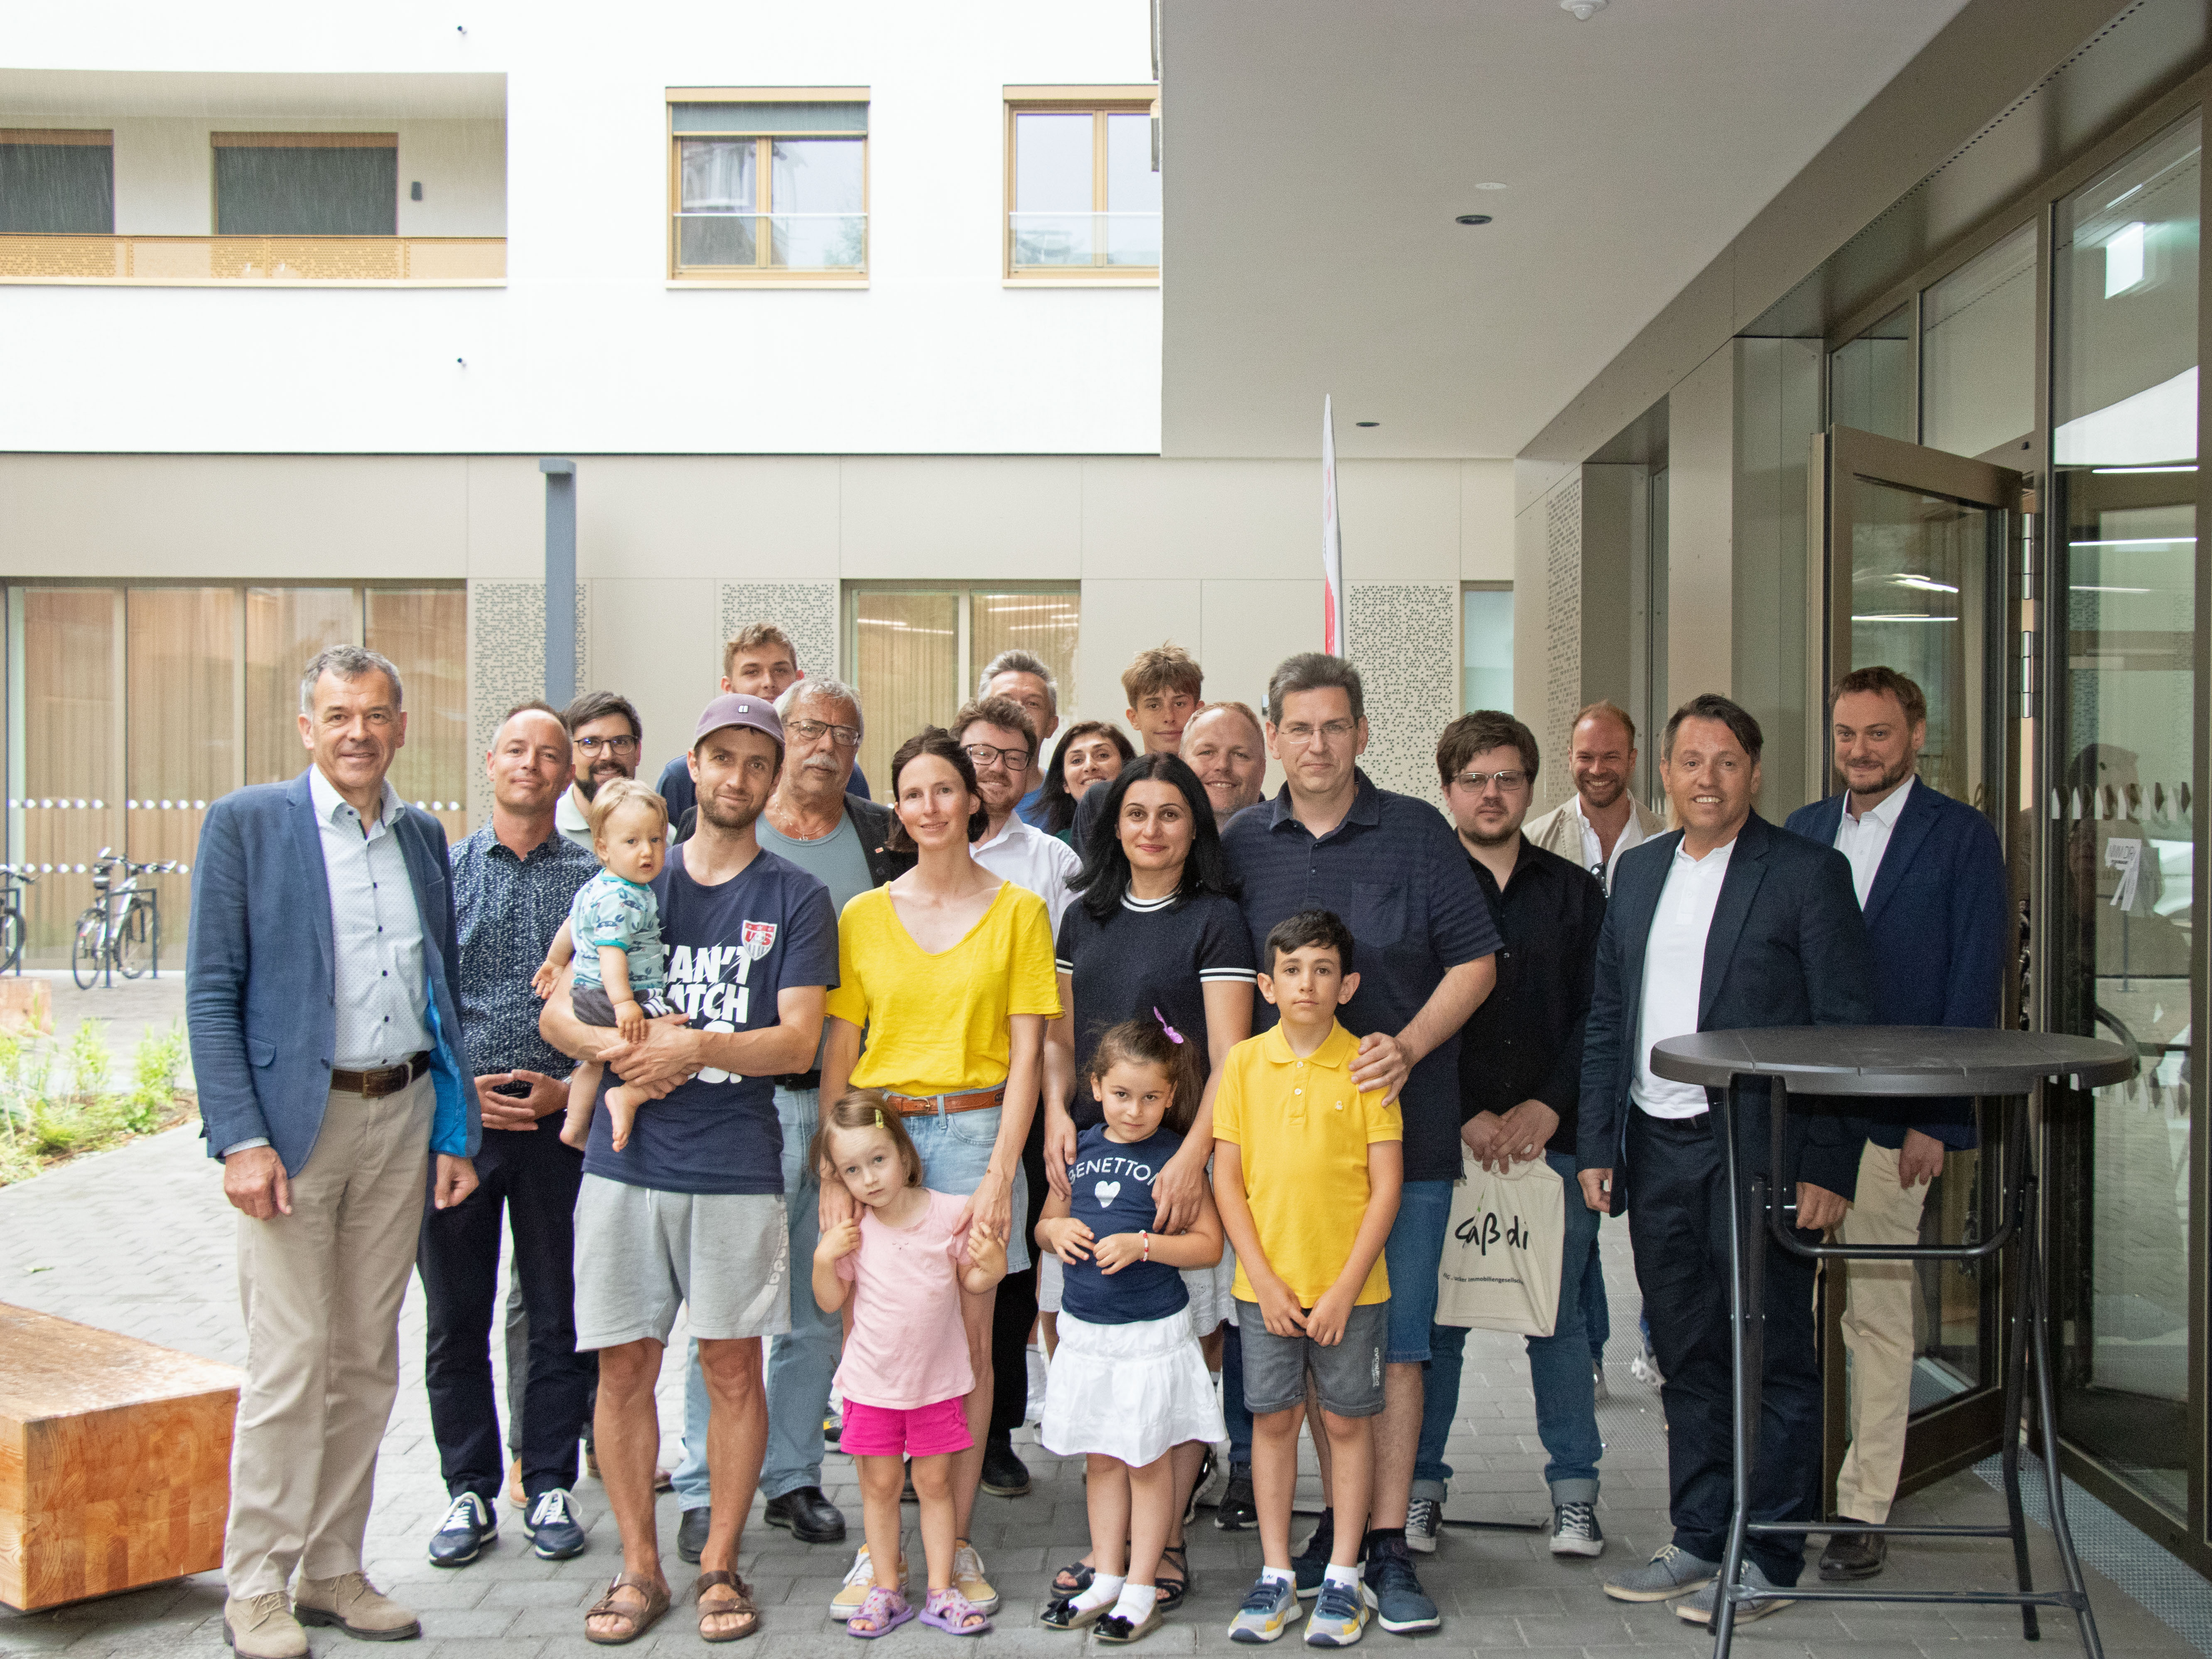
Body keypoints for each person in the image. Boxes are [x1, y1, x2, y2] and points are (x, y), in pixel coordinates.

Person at [188, 645, 479, 1659]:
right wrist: (240, 1137)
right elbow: (210, 992)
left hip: (398, 1117)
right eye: (338, 713)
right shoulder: (248, 826)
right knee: (292, 1357)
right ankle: (255, 1582)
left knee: (365, 1356)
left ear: (400, 726)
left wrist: (454, 1128)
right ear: (307, 727)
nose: (359, 730)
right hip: (293, 1132)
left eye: (377, 713)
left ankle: (332, 1565)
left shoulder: (420, 834)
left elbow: (440, 997)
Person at [540, 692, 838, 1645]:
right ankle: (636, 1568)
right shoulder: (632, 872)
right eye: (724, 758)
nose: (739, 776)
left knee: (732, 1369)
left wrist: (696, 1045)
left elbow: (796, 1043)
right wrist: (623, 1051)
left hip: (735, 1164)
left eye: (759, 761)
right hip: (625, 1166)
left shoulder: (794, 896)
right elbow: (553, 1010)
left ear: (773, 775)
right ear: (694, 766)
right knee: (623, 1368)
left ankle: (718, 1565)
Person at [1580, 693, 1876, 1625]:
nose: (1705, 779)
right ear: (1661, 772)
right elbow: (1607, 1015)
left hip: (1760, 1149)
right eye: (1689, 761)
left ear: (1753, 774)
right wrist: (1597, 1141)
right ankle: (1702, 1532)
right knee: (1687, 1350)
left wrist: (1828, 1162)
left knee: (1773, 1350)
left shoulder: (1805, 873)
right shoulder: (1638, 872)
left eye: (1726, 762)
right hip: (1656, 1143)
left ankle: (1770, 1553)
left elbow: (1842, 1031)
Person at [1220, 653, 1498, 1636]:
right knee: (1287, 1345)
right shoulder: (1240, 840)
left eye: (1334, 726)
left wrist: (1411, 1045)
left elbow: (1476, 961)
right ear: (1274, 736)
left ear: (1363, 733)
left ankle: (1382, 1540)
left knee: (1397, 1344)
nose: (1317, 744)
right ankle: (1319, 1540)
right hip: (1280, 1157)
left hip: (1400, 1145)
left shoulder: (1418, 833)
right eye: (1297, 727)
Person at [820, 728, 1062, 1622]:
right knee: (874, 1344)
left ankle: (950, 1539)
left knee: (966, 1349)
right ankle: (880, 1543)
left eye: (943, 790)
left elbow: (1031, 1052)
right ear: (899, 808)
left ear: (973, 801)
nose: (928, 807)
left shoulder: (1019, 912)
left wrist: (1004, 1170)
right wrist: (833, 1173)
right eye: (910, 792)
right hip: (877, 1142)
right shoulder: (864, 916)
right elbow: (842, 1053)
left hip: (973, 1136)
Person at [668, 676, 911, 1562]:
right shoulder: (726, 834)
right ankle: (700, 1484)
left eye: (844, 735)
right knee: (725, 1308)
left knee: (821, 1291)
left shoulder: (876, 837)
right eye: (809, 727)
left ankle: (793, 1474)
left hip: (840, 1100)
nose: (825, 746)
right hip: (733, 1102)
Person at [1786, 667, 2007, 1583]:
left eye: (1877, 734)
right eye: (1845, 734)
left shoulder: (1959, 839)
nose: (1859, 751)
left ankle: (1860, 1505)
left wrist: (1938, 1118)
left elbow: (1970, 986)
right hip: (1799, 1120)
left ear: (1915, 734)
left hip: (1893, 1124)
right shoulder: (1802, 831)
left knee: (1875, 1319)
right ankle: (1787, 1486)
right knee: (1782, 1317)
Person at [1039, 752, 1256, 1607]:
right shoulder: (1081, 917)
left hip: (1172, 1167)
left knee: (1173, 1363)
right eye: (1136, 813)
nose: (1152, 829)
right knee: (1093, 1344)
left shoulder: (1217, 920)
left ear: (1194, 826)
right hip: (1090, 1164)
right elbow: (1060, 1038)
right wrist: (1058, 1114)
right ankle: (1109, 1548)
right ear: (1111, 824)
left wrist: (1195, 1158)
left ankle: (1160, 1547)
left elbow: (1232, 1059)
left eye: (1171, 813)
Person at [1414, 712, 1607, 1558]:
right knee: (1438, 1320)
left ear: (1530, 786)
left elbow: (1600, 1016)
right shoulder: (1420, 885)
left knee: (1556, 1319)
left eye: (1508, 778)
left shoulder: (1573, 892)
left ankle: (1575, 1494)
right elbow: (1401, 1013)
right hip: (1440, 1136)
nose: (1491, 794)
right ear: (1447, 787)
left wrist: (1548, 1107)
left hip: (1547, 1143)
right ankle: (1419, 1487)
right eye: (1473, 778)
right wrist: (1460, 1110)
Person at [420, 703, 597, 1573]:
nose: (531, 764)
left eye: (550, 754)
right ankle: (467, 1487)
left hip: (561, 1127)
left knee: (563, 1311)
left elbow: (621, 1000)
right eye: (516, 749)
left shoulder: (600, 882)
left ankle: (553, 1477)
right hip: (461, 1131)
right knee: (457, 1317)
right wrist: (453, 1102)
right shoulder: (441, 871)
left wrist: (572, 1089)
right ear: (489, 761)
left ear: (570, 775)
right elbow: (418, 1001)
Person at [1215, 909, 1403, 1649]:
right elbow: (1228, 1181)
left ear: (1347, 984)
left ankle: (1344, 1577)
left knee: (1349, 1421)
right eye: (1292, 969)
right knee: (1271, 1420)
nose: (1307, 983)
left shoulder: (1367, 1065)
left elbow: (1385, 1188)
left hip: (1350, 1291)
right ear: (1267, 982)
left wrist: (1344, 1287)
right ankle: (1275, 1574)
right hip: (1266, 1289)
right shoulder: (1243, 1064)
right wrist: (1260, 1277)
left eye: (1323, 970)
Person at [1037, 1020, 1228, 1644]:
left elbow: (1206, 1247)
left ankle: (1143, 1586)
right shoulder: (1078, 1149)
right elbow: (1046, 1223)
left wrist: (1147, 1245)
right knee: (1102, 1457)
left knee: (1147, 1459)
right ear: (1095, 1086)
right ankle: (1107, 1576)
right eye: (1121, 1094)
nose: (1135, 1109)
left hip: (1150, 1336)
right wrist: (1053, 1234)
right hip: (1089, 1337)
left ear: (1171, 1096)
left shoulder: (1177, 1160)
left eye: (1151, 1097)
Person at [812, 1090, 1009, 1637]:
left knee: (934, 1483)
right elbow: (830, 1300)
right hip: (871, 1388)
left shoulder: (947, 1213)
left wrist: (989, 1268)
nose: (870, 1178)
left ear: (904, 1154)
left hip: (936, 1385)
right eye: (853, 1169)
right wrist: (823, 1257)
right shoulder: (852, 1231)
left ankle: (942, 1588)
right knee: (877, 1486)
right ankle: (885, 1588)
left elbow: (971, 1281)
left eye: (878, 1160)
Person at [954, 693, 1082, 1497]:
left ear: (1032, 771)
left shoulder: (1051, 863)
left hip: (1020, 1088)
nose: (993, 767)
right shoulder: (907, 845)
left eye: (1011, 754)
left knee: (1005, 1274)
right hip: (923, 1092)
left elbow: (1066, 989)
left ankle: (994, 1431)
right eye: (979, 751)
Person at [534, 781, 673, 1151]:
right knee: (680, 1042)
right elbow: (613, 952)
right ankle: (629, 1096)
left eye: (656, 840)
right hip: (617, 995)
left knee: (592, 1064)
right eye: (632, 842)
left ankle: (574, 1125)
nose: (647, 851)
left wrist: (553, 961)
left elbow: (570, 926)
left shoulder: (597, 886)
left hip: (586, 992)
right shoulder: (624, 896)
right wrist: (625, 1003)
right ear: (602, 848)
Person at [654, 624, 869, 825]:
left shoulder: (837, 771)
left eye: (780, 670)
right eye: (752, 672)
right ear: (728, 687)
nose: (768, 683)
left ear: (799, 681)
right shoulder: (682, 778)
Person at [1072, 643, 1206, 856]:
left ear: (1199, 712)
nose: (1169, 717)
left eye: (1179, 704)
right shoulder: (1101, 800)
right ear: (1134, 718)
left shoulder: (1217, 791)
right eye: (1154, 705)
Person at [1524, 701, 1664, 894]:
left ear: (1632, 761)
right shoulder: (1534, 843)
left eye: (1611, 757)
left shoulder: (1669, 838)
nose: (1597, 770)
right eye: (1586, 757)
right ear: (1570, 760)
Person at [977, 647, 1063, 828]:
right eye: (1005, 700)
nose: (1018, 711)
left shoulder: (1067, 800)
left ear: (1052, 726)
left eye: (1033, 703)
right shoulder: (953, 795)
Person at [557, 690, 645, 852]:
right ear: (569, 756)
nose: (608, 755)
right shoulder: (549, 832)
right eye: (590, 743)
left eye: (620, 742)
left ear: (638, 753)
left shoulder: (662, 838)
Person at [1038, 720, 1134, 841]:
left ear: (1127, 767)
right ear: (1065, 783)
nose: (1089, 766)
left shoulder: (1145, 836)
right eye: (1077, 760)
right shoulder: (1056, 849)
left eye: (1103, 755)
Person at [1183, 701, 1269, 826]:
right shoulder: (1150, 838)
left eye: (1240, 755)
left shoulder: (1291, 843)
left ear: (1262, 769)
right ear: (1182, 763)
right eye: (1207, 752)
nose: (1223, 766)